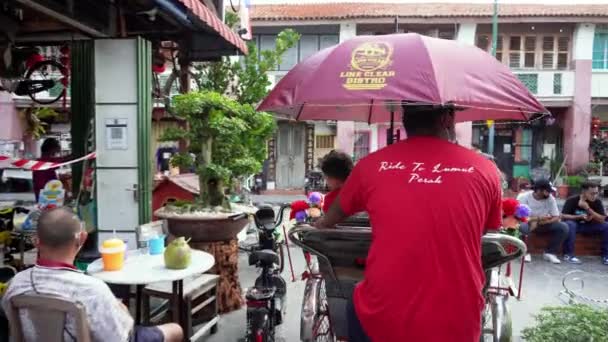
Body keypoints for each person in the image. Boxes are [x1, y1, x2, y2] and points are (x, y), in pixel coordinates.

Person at [316, 105, 503, 342]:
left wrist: (319, 223)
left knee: (355, 301)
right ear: (447, 119)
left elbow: (333, 216)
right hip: (457, 318)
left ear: (405, 119)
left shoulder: (370, 165)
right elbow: (488, 227)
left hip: (380, 315)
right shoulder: (485, 169)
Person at [1, 208, 183, 342]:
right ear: (82, 238)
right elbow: (119, 338)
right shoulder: (92, 290)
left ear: (36, 242)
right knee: (175, 330)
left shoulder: (16, 284)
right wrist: (121, 312)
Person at [517, 179, 569, 264]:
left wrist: (542, 222)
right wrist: (537, 219)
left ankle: (550, 253)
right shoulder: (523, 197)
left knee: (563, 227)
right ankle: (525, 252)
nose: (549, 193)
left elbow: (556, 216)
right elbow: (520, 217)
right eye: (547, 191)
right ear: (538, 190)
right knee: (522, 227)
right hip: (528, 223)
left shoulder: (550, 198)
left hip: (543, 224)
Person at [561, 182, 608, 265]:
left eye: (596, 193)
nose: (594, 196)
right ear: (584, 192)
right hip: (575, 226)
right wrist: (578, 217)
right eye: (592, 193)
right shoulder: (572, 200)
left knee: (606, 226)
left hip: (589, 226)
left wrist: (588, 209)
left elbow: (602, 219)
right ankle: (568, 255)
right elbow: (563, 216)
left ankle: (606, 256)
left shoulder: (597, 202)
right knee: (570, 224)